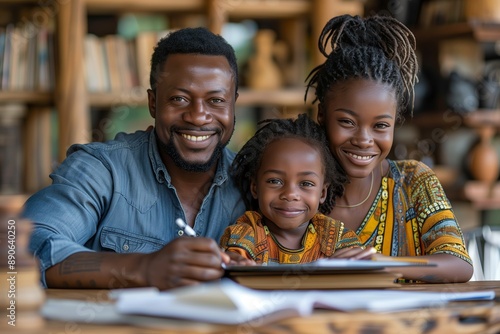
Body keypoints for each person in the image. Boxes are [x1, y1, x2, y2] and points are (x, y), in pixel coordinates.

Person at [22, 27, 252, 291]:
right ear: (153, 103)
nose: (198, 116)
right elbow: (25, 246)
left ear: (233, 105)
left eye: (216, 101)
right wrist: (143, 268)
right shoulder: (101, 170)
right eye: (179, 99)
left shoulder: (254, 182)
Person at [305, 14, 473, 282]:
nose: (363, 139)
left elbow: (459, 264)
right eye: (347, 122)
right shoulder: (299, 188)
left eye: (380, 126)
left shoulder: (412, 182)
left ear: (395, 123)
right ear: (322, 115)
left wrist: (384, 264)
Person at [220, 114, 373, 264]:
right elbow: (234, 265)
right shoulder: (247, 235)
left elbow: (362, 267)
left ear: (322, 193)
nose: (290, 194)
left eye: (306, 184)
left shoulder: (334, 237)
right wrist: (237, 266)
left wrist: (348, 266)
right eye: (275, 181)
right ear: (255, 188)